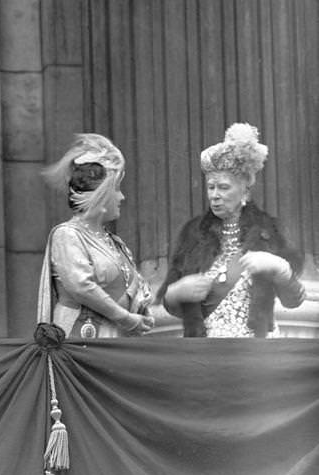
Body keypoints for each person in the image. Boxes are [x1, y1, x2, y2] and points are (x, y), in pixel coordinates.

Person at [158, 123, 304, 337]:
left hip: (255, 350)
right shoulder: (193, 235)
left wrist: (280, 268)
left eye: (224, 187)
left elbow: (294, 300)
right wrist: (174, 293)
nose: (214, 195)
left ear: (245, 191)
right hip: (205, 351)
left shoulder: (269, 232)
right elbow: (172, 308)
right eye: (211, 187)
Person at [36, 134, 154, 338]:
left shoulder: (114, 242)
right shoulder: (67, 235)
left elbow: (133, 284)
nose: (122, 197)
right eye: (117, 189)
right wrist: (126, 318)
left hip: (115, 337)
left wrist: (142, 309)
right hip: (82, 338)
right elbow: (82, 287)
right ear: (102, 196)